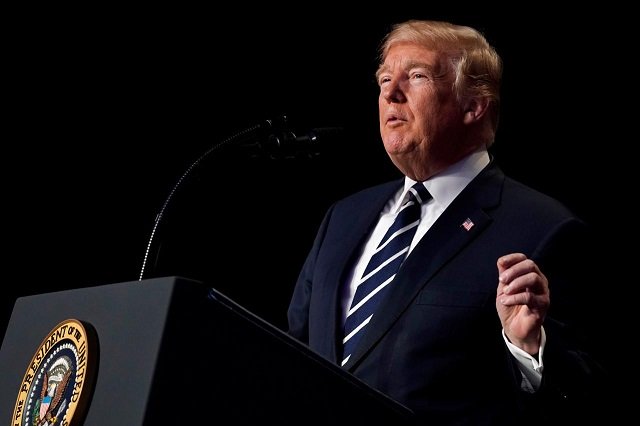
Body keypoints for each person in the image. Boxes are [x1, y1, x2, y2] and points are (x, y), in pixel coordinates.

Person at [286, 19, 612, 425]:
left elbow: (586, 398)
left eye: (416, 76)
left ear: (473, 105)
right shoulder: (343, 217)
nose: (390, 93)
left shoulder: (543, 228)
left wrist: (529, 348)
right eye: (384, 79)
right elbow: (289, 353)